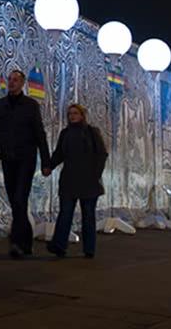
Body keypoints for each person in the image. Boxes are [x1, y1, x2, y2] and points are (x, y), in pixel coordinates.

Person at [0, 69, 51, 259]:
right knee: (16, 201)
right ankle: (26, 241)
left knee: (19, 198)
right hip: (8, 158)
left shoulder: (30, 105)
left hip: (26, 158)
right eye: (10, 79)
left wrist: (46, 161)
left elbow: (39, 133)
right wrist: (0, 142)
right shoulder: (1, 105)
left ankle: (17, 242)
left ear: (22, 83)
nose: (12, 82)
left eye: (16, 80)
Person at [43, 103, 108, 260]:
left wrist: (95, 174)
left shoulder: (92, 132)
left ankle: (89, 249)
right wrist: (49, 166)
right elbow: (59, 153)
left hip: (88, 181)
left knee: (88, 216)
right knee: (65, 213)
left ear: (82, 115)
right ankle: (59, 245)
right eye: (70, 113)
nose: (72, 116)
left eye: (75, 113)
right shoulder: (65, 134)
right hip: (69, 179)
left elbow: (101, 154)